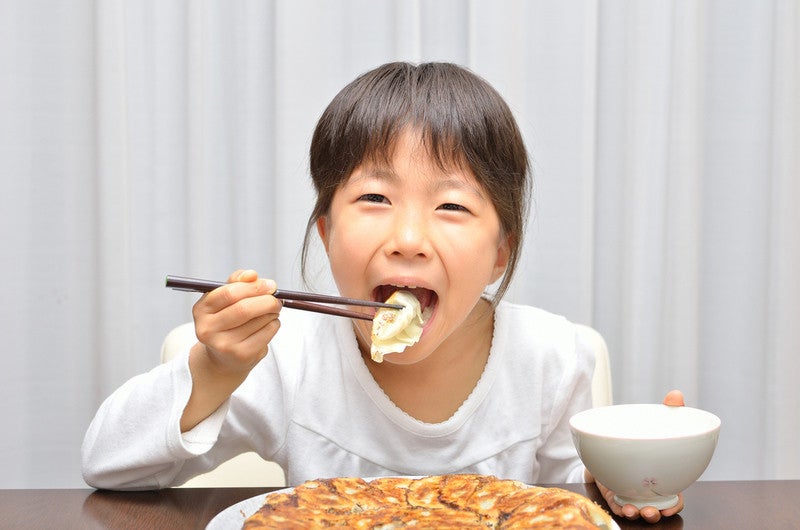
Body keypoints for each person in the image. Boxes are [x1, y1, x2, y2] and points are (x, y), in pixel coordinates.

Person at [82, 61, 683, 523]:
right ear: (326, 231)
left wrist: (629, 477)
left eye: (451, 205)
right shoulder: (283, 357)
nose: (409, 238)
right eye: (374, 198)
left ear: (500, 253)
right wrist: (213, 369)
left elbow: (570, 497)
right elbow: (107, 464)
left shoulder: (552, 356)